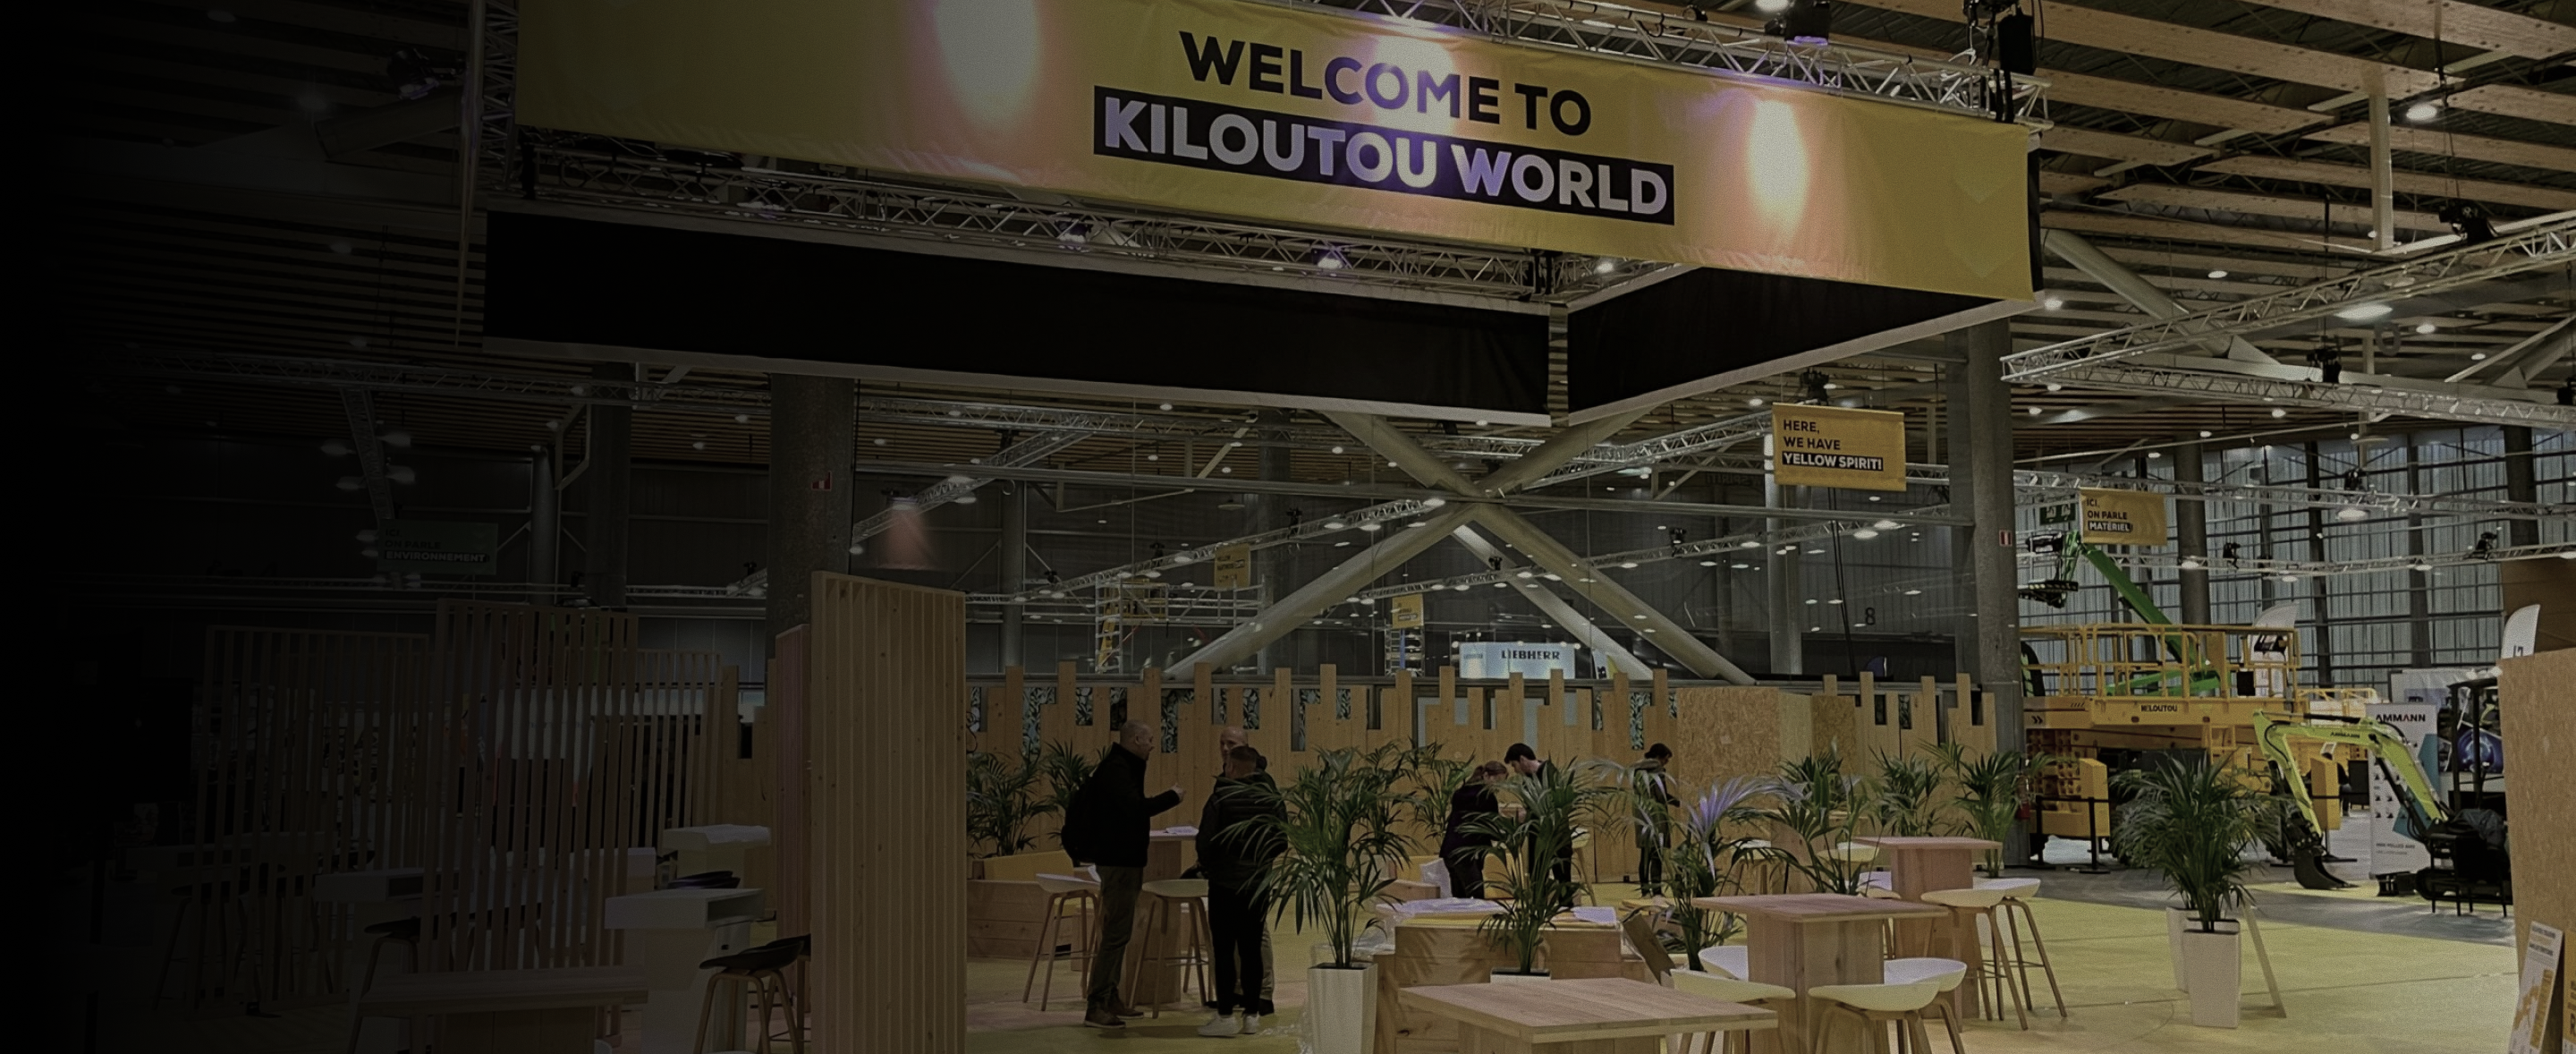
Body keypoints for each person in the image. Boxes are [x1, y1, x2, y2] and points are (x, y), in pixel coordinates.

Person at [1063, 720, 1184, 1030]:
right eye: (1150, 739)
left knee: (1119, 932)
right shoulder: (1117, 769)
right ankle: (1096, 1004)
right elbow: (1134, 809)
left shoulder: (1122, 767)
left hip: (1123, 861)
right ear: (1136, 740)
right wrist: (1172, 796)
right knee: (1115, 935)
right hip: (1118, 862)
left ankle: (1110, 996)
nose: (1153, 745)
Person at [1195, 745, 1284, 1036]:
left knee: (1224, 950)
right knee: (1251, 949)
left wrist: (1215, 866)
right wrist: (1260, 862)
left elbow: (1205, 843)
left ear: (1231, 767)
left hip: (1224, 884)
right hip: (1256, 885)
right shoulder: (1270, 799)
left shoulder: (1221, 798)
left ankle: (1225, 1016)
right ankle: (1252, 1015)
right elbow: (1281, 840)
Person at [1215, 726, 1275, 1003]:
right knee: (1236, 933)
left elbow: (1274, 825)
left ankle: (1262, 991)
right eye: (1222, 743)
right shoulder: (1224, 778)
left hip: (1254, 868)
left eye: (1232, 743)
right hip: (1230, 870)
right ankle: (1240, 989)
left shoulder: (1261, 780)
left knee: (1257, 932)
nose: (1225, 748)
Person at [1440, 761, 1508, 898]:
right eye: (1497, 781)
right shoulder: (1486, 797)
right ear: (1486, 776)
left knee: (1459, 899)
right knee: (1476, 898)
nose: (1498, 786)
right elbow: (1492, 828)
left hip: (1450, 851)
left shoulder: (1460, 793)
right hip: (1467, 854)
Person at [1633, 744, 1680, 896]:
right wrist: (1679, 802)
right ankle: (1657, 890)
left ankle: (1645, 890)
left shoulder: (1637, 770)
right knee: (1656, 855)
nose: (1666, 763)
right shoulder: (1657, 770)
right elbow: (1661, 795)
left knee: (1645, 854)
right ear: (1659, 757)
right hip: (1656, 816)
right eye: (1666, 760)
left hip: (1641, 815)